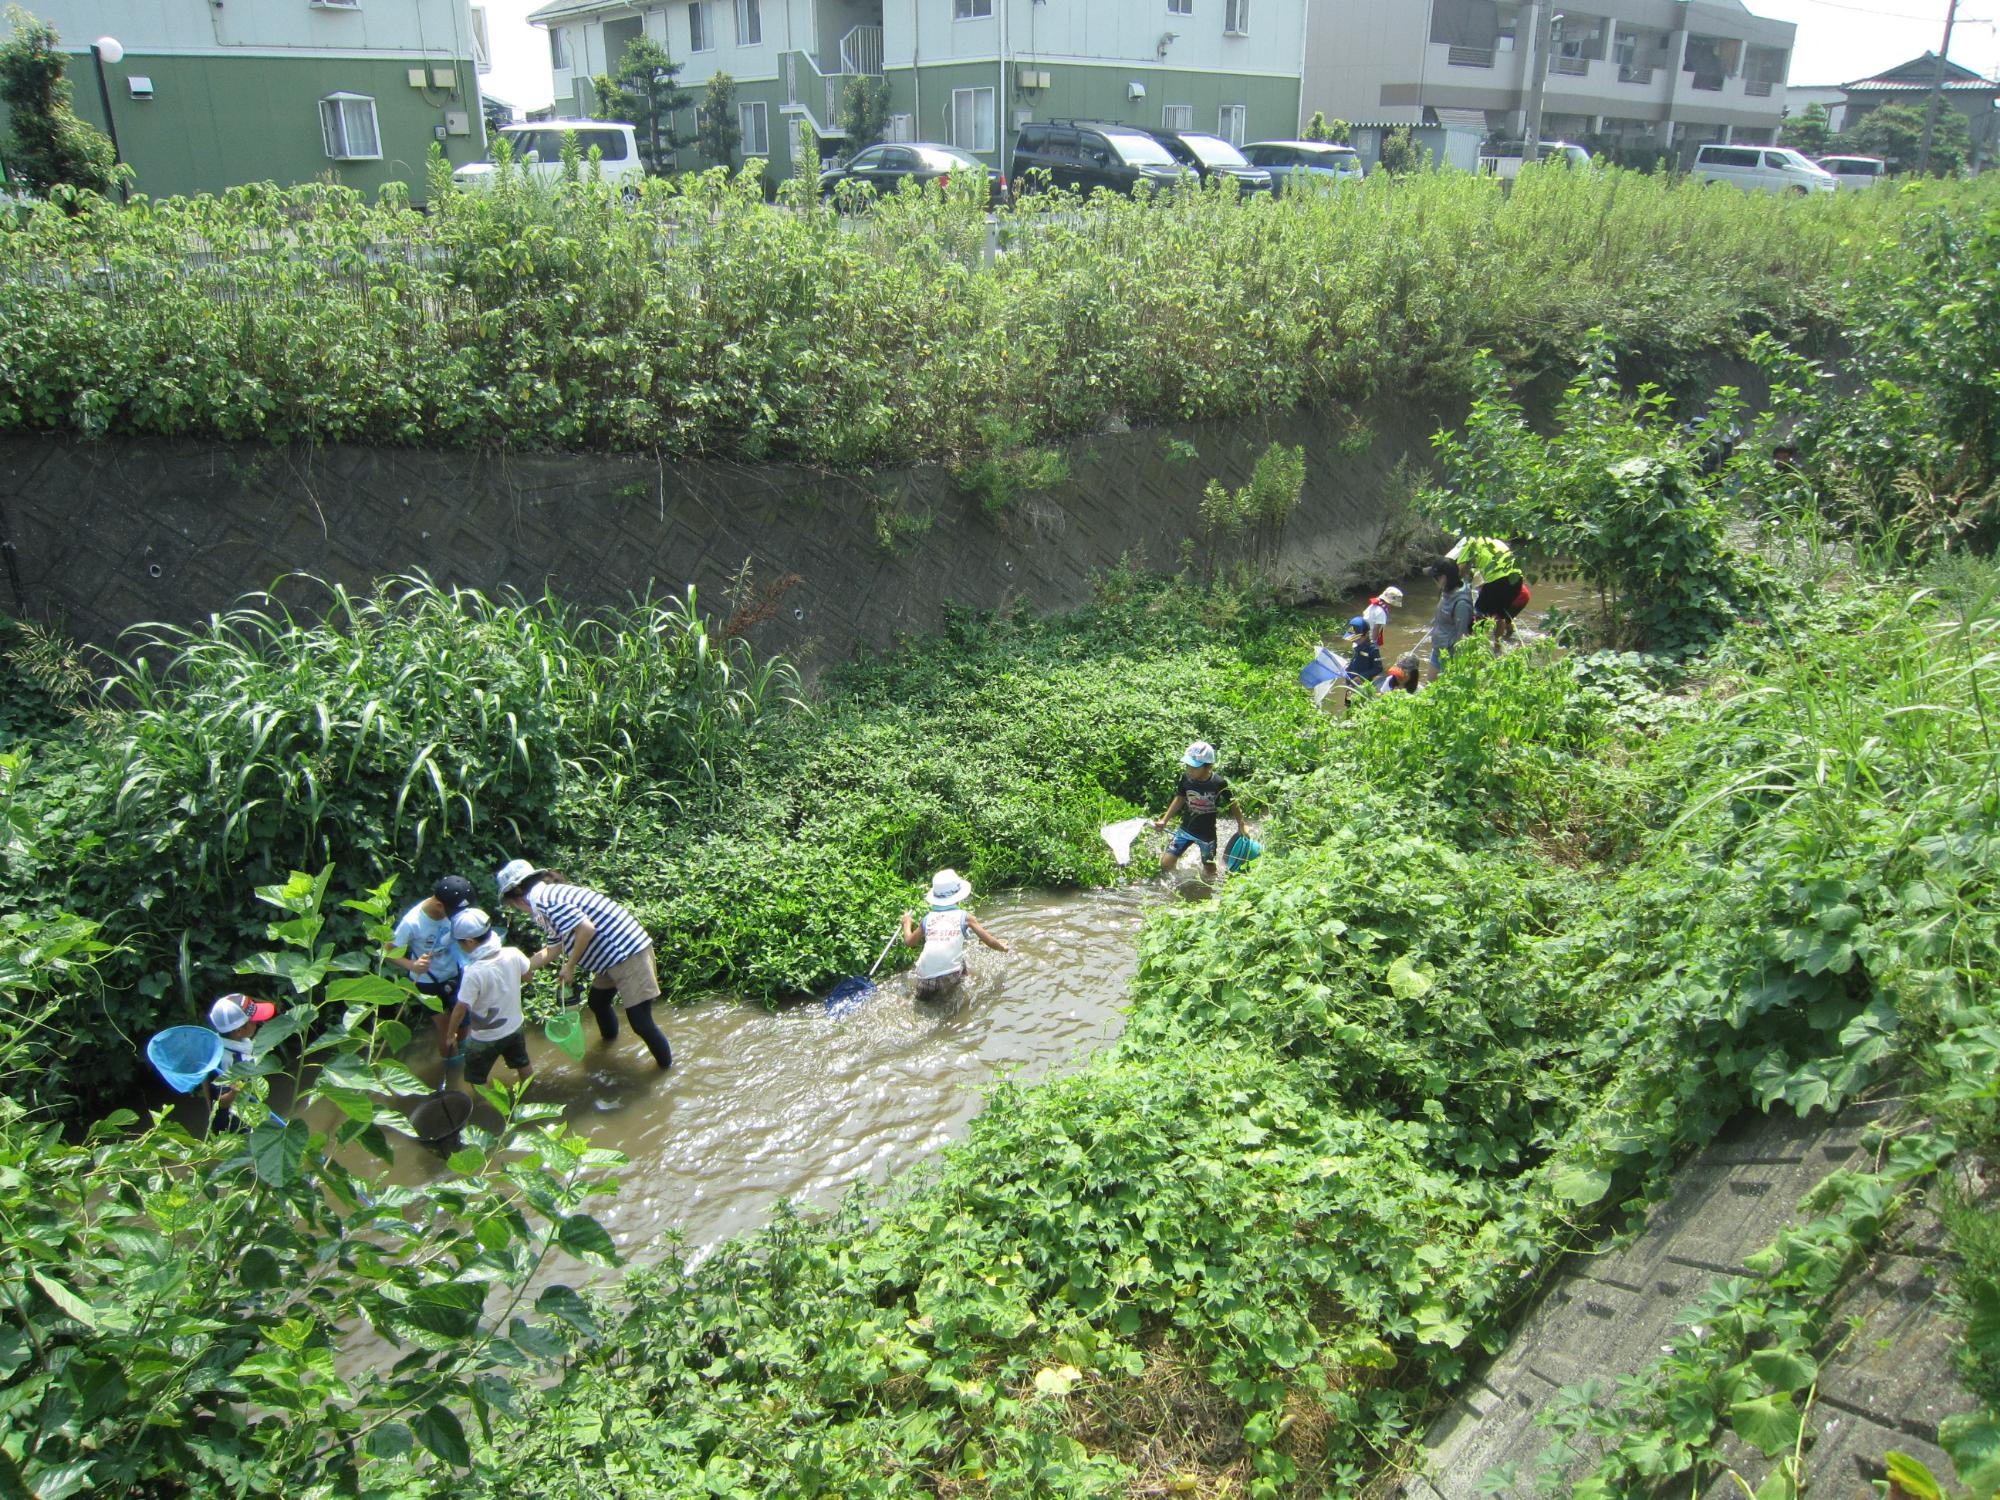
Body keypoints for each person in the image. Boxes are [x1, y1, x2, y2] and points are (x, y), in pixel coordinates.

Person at [494, 860, 674, 1070]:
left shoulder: (545, 899)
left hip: (627, 954)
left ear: (517, 893)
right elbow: (553, 949)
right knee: (597, 1002)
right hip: (611, 956)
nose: (515, 908)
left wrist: (569, 966)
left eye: (511, 903)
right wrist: (519, 969)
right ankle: (608, 1049)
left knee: (641, 1023)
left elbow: (586, 929)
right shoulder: (546, 899)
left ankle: (666, 1069)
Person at [440, 907, 548, 1092]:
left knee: (476, 1078)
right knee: (522, 1063)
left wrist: (450, 1035)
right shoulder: (513, 953)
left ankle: (485, 1108)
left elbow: (461, 1008)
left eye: (459, 943)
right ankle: (531, 1094)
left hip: (485, 1037)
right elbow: (528, 976)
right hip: (514, 1028)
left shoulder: (474, 972)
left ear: (470, 942)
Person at [386, 875, 477, 1067]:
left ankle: (464, 1061)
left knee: (464, 1024)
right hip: (427, 982)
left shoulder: (455, 911)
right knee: (445, 1030)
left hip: (455, 973)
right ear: (439, 905)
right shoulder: (412, 922)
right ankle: (452, 1071)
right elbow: (388, 951)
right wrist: (412, 965)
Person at [900, 869, 1010, 1001]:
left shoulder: (927, 919)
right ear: (958, 896)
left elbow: (909, 942)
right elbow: (990, 941)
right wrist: (1002, 947)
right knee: (960, 968)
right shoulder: (966, 917)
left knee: (923, 1002)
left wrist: (907, 923)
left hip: (925, 977)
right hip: (949, 977)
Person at [1154, 741, 1245, 879]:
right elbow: (1179, 799)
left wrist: (1241, 825)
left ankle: (1209, 890)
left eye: (1194, 767)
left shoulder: (1218, 783)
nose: (1189, 770)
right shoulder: (1186, 779)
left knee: (1209, 870)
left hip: (1206, 835)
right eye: (1188, 766)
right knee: (1166, 864)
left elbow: (1233, 803)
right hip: (1185, 829)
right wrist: (1164, 820)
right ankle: (1176, 885)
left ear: (1208, 767)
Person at [207, 992, 277, 1118]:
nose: (258, 1023)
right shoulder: (224, 1058)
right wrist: (235, 1092)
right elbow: (220, 1102)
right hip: (233, 1123)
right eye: (253, 1021)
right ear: (239, 1031)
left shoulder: (241, 1042)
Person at [1453, 536, 1527, 647]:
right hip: (1517, 580)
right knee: (1500, 616)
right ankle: (1498, 647)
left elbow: (1460, 570)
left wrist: (1452, 590)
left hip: (1499, 580)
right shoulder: (1494, 542)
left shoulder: (1469, 543)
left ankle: (1474, 648)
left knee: (1479, 615)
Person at [1425, 558, 1478, 672]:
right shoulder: (1445, 591)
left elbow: (1462, 638)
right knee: (1429, 687)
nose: (1433, 580)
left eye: (1434, 577)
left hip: (1450, 657)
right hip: (1438, 650)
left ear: (1443, 578)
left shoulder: (1461, 604)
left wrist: (1458, 665)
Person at [1345, 616, 1384, 697]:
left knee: (1360, 704)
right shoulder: (1357, 646)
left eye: (1357, 638)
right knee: (1348, 704)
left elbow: (1378, 668)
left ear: (1366, 635)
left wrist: (1362, 677)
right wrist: (1347, 668)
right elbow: (1355, 660)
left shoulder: (1373, 649)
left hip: (1363, 685)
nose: (1354, 640)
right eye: (1352, 637)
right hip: (1351, 683)